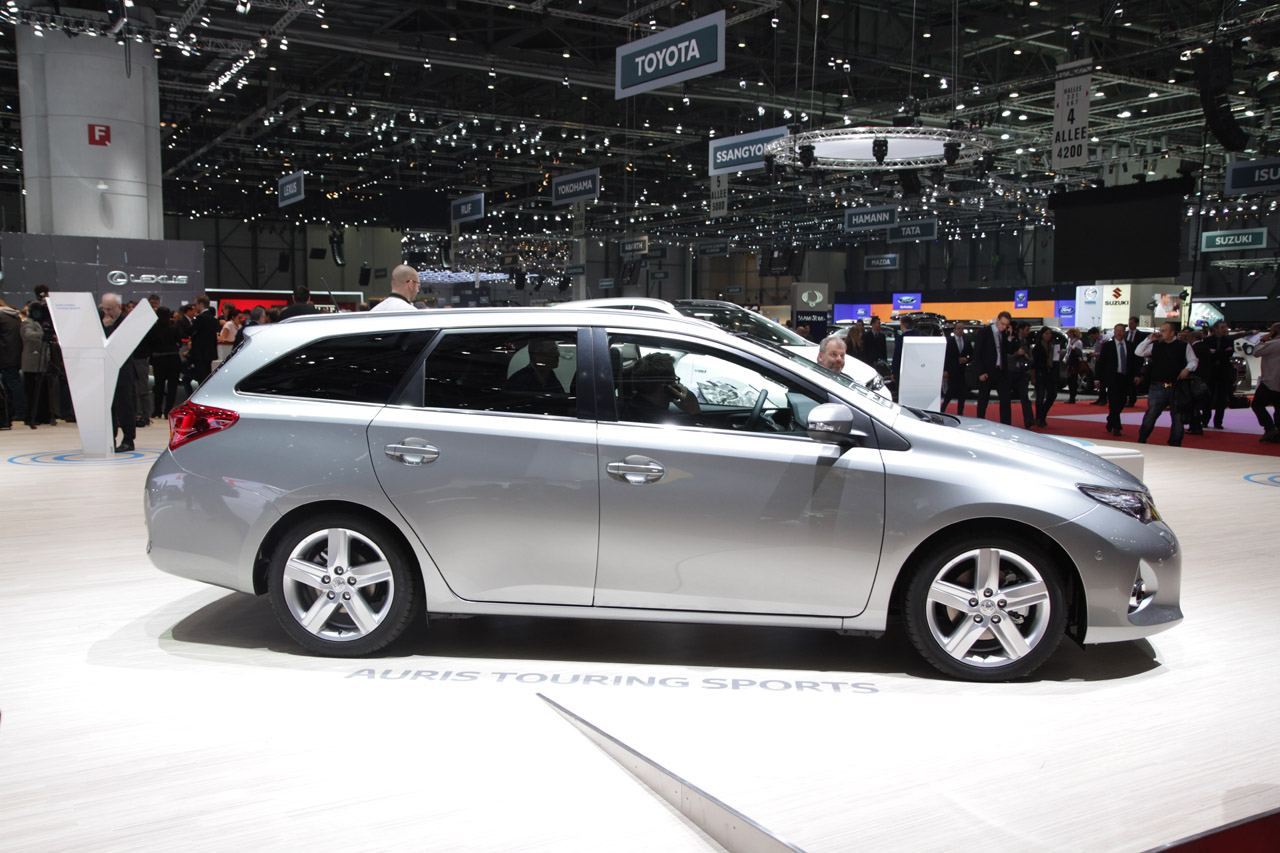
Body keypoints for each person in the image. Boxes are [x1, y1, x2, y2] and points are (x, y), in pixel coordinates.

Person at [1135, 322, 1198, 446]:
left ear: (1172, 333)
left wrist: (1187, 369)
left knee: (1178, 417)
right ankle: (1142, 438)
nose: (1160, 333)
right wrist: (1149, 339)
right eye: (1160, 330)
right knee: (1151, 414)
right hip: (1157, 386)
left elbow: (1194, 361)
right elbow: (1138, 352)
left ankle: (1175, 443)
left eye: (1164, 331)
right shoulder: (1155, 346)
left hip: (1177, 387)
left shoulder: (1183, 346)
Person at [99, 293, 137, 451]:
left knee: (124, 406)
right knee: (109, 408)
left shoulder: (126, 322)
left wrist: (109, 328)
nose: (106, 312)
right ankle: (110, 438)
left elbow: (119, 346)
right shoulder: (101, 320)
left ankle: (128, 439)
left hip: (123, 371)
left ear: (119, 307)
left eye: (110, 309)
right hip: (106, 370)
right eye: (104, 308)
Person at [619, 352, 700, 423]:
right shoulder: (665, 421)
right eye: (674, 380)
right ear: (665, 385)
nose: (678, 385)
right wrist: (695, 411)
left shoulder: (630, 407)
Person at [974, 311, 1012, 423]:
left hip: (1001, 371)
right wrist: (980, 371)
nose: (1004, 327)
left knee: (1005, 399)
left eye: (1006, 325)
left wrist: (1009, 337)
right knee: (983, 399)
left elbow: (1009, 350)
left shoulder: (1004, 334)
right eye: (1002, 324)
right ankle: (980, 422)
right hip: (987, 371)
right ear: (997, 320)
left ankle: (1006, 425)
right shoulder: (984, 332)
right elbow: (977, 353)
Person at [1095, 323, 1131, 435]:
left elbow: (1133, 362)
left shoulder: (1130, 345)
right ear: (1114, 332)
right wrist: (1098, 378)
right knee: (1114, 401)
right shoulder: (1108, 346)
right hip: (1112, 377)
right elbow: (1101, 363)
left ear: (1125, 332)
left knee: (1122, 401)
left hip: (1125, 377)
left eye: (1121, 331)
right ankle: (1117, 426)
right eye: (1117, 331)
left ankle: (1111, 419)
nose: (1119, 333)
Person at [147, 306, 183, 419]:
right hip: (173, 359)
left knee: (159, 386)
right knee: (172, 387)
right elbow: (180, 342)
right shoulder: (174, 328)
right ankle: (168, 410)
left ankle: (157, 410)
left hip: (159, 359)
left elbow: (150, 344)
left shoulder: (153, 329)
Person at [1200, 321, 1235, 430]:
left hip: (1224, 373)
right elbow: (1207, 354)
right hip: (1211, 372)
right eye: (1222, 327)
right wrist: (1222, 352)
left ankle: (1218, 422)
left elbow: (1229, 353)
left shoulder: (1229, 340)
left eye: (1225, 327)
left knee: (1222, 398)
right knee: (1207, 397)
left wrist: (1215, 352)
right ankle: (1205, 420)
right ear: (1216, 329)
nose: (1225, 329)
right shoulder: (1207, 340)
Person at [1250, 323, 1280, 442]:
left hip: (1271, 380)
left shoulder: (1274, 343)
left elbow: (1256, 353)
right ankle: (1277, 433)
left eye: (1271, 331)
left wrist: (1262, 341)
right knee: (1278, 408)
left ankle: (1270, 428)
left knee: (1257, 405)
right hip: (1276, 380)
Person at [0, 298, 25, 428]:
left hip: (5, 355)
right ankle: (15, 411)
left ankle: (18, 411)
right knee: (12, 383)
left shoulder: (1, 316)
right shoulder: (13, 315)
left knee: (12, 384)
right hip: (15, 354)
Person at [1008, 322, 1036, 428]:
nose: (1028, 332)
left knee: (1025, 396)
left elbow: (1030, 357)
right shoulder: (1012, 340)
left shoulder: (1026, 342)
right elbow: (1007, 355)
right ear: (1020, 330)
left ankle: (1029, 419)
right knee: (1007, 397)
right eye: (1027, 330)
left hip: (1022, 371)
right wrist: (1017, 354)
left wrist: (1027, 358)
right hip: (1011, 371)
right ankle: (1007, 421)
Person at [1032, 327, 1060, 427]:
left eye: (1050, 333)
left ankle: (1042, 414)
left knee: (1052, 394)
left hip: (1050, 373)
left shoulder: (1053, 345)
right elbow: (1035, 363)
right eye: (1046, 333)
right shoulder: (1038, 347)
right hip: (1041, 373)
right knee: (1040, 396)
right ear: (1042, 335)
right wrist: (1033, 376)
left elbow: (1055, 361)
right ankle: (1039, 418)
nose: (1048, 335)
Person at [941, 321, 970, 415]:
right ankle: (942, 409)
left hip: (962, 371)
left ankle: (960, 412)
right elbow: (946, 357)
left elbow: (972, 354)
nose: (960, 330)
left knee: (962, 393)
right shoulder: (949, 342)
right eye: (958, 328)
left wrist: (966, 359)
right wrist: (945, 370)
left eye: (962, 329)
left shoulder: (966, 341)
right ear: (954, 330)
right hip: (952, 371)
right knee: (950, 392)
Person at [189, 294, 220, 382]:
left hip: (199, 353)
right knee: (206, 377)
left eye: (195, 304)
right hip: (209, 353)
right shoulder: (214, 320)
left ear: (201, 304)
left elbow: (189, 331)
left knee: (200, 378)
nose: (195, 307)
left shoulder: (200, 319)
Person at [890, 314, 919, 398]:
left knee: (902, 394)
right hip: (916, 370)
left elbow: (897, 355)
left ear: (903, 325)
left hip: (902, 371)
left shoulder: (901, 338)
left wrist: (893, 371)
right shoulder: (918, 336)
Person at [1124, 316, 1144, 407]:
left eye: (1132, 323)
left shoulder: (1141, 335)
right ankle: (1124, 398)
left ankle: (1132, 399)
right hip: (1125, 360)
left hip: (1136, 359)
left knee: (1133, 382)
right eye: (1129, 323)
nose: (1130, 325)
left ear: (1136, 324)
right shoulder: (1125, 334)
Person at [1064, 328, 1085, 403]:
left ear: (1073, 333)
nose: (1067, 334)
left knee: (1073, 379)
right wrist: (1065, 358)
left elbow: (1077, 352)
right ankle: (1071, 396)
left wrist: (1073, 348)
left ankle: (1072, 396)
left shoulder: (1078, 342)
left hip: (1074, 363)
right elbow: (1068, 352)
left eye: (1069, 333)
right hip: (1070, 362)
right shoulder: (1070, 341)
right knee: (1070, 379)